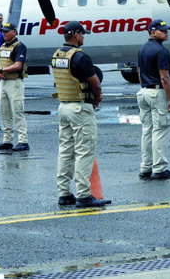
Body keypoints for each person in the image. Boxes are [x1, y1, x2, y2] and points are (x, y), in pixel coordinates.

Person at [53, 21, 111, 208]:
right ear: (76, 34)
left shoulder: (57, 55)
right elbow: (96, 84)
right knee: (84, 151)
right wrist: (97, 98)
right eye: (82, 34)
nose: (83, 37)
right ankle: (84, 195)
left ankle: (64, 193)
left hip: (64, 106)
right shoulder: (80, 56)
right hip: (80, 108)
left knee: (65, 151)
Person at [137, 19, 170, 180]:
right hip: (157, 92)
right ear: (153, 32)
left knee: (147, 131)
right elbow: (165, 78)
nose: (166, 33)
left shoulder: (142, 49)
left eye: (167, 30)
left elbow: (139, 71)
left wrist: (144, 86)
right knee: (160, 130)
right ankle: (159, 168)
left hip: (144, 91)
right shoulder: (162, 51)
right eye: (163, 30)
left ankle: (146, 166)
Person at [0, 23, 29, 151]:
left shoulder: (19, 46)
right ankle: (7, 140)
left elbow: (18, 65)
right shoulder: (2, 46)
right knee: (5, 112)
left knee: (18, 111)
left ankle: (23, 141)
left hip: (15, 82)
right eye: (3, 31)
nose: (4, 33)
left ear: (14, 32)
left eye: (7, 31)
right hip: (3, 82)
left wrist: (1, 70)